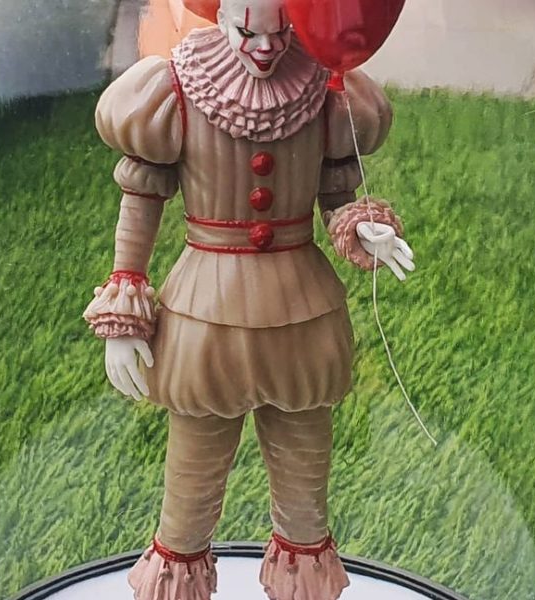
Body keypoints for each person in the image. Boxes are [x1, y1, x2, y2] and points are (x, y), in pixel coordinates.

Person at [83, 0, 415, 597]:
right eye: (248, 31)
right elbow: (143, 196)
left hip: (301, 312)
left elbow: (335, 195)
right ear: (221, 16)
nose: (265, 48)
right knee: (190, 481)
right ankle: (175, 581)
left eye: (281, 33)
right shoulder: (174, 87)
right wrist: (124, 308)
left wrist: (361, 227)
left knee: (306, 486)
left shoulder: (324, 89)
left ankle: (303, 584)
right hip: (204, 315)